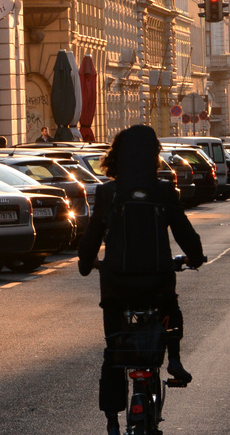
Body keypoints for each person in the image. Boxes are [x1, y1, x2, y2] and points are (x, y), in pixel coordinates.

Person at [78, 125, 205, 435]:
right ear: (153, 155)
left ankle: (111, 419)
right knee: (170, 310)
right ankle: (173, 358)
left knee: (113, 351)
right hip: (156, 281)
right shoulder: (163, 191)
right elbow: (184, 232)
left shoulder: (109, 192)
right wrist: (195, 256)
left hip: (117, 285)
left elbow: (93, 233)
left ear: (118, 156)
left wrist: (86, 263)